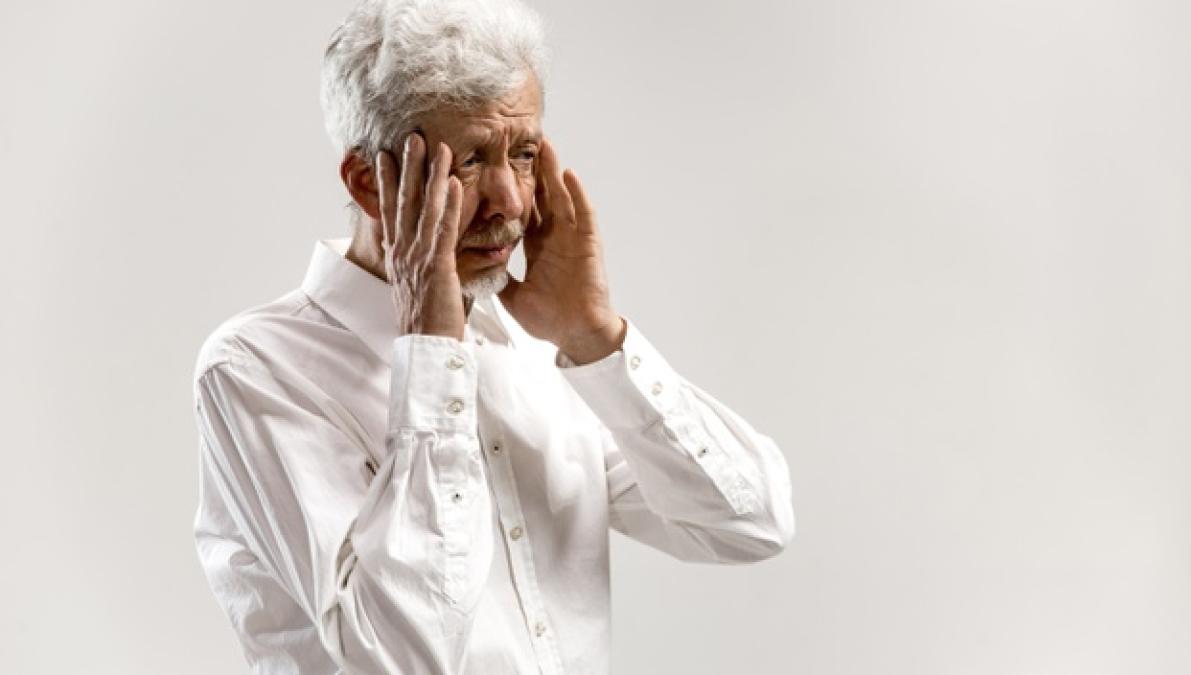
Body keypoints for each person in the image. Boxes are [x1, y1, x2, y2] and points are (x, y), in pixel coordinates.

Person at [190, 0, 795, 672]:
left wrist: (595, 337)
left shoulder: (538, 346)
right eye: (471, 161)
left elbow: (750, 524)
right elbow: (398, 654)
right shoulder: (257, 369)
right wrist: (432, 359)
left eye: (524, 153)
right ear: (368, 183)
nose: (510, 200)